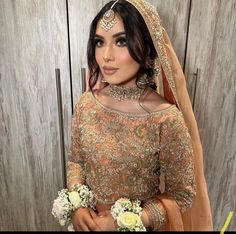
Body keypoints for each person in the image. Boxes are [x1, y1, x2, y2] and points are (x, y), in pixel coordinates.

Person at [66, 0, 213, 231]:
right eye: (99, 42)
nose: (106, 56)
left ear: (146, 44)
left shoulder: (165, 119)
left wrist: (131, 221)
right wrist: (77, 205)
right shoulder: (86, 104)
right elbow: (77, 161)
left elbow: (182, 194)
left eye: (121, 41)